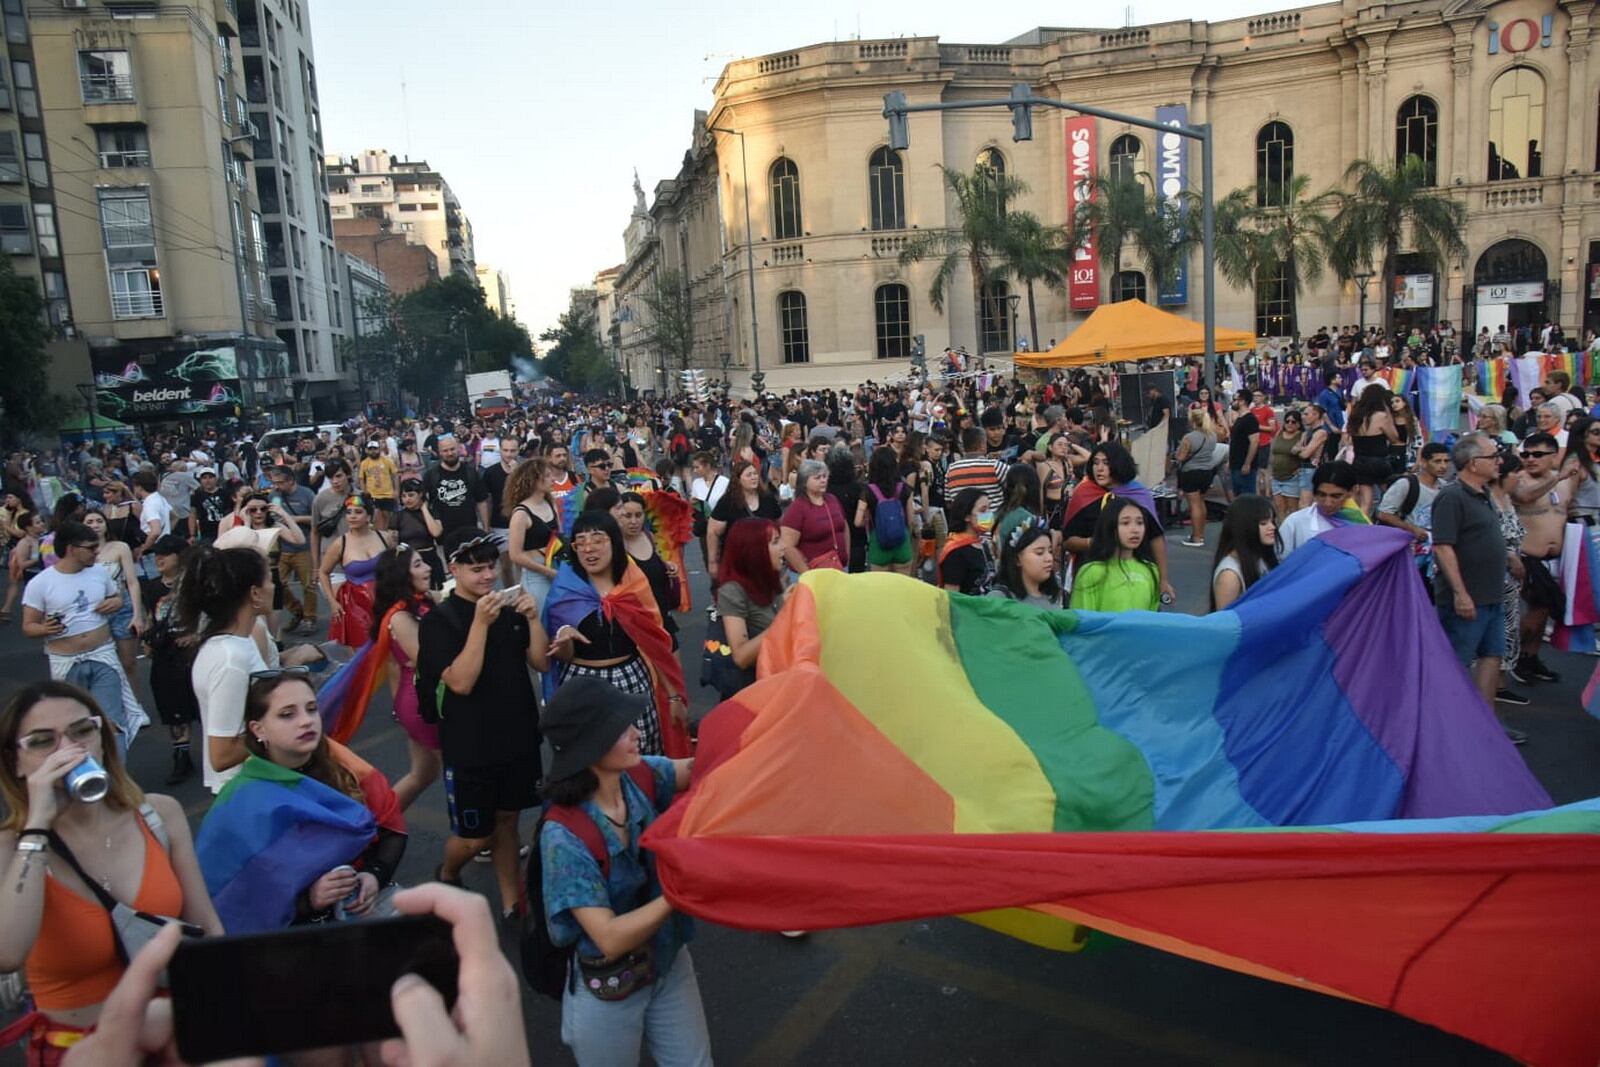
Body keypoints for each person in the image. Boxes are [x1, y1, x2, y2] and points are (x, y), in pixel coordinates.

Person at [0, 680, 221, 1062]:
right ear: (15, 763)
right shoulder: (10, 848)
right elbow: (8, 953)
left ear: (103, 739)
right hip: (81, 1049)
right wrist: (37, 823)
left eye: (83, 730)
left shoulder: (159, 815)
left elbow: (208, 929)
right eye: (41, 741)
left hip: (174, 1031)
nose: (69, 750)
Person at [537, 677, 709, 1066]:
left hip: (667, 962)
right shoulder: (562, 838)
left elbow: (699, 769)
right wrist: (677, 892)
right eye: (620, 728)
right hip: (609, 989)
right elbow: (609, 937)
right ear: (590, 746)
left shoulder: (640, 775)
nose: (637, 731)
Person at [196, 670, 407, 930]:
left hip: (364, 908)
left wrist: (374, 876)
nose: (306, 721)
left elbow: (392, 831)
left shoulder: (346, 768)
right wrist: (309, 900)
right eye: (287, 714)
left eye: (311, 709)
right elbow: (233, 901)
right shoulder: (240, 802)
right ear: (258, 729)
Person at [418, 529, 550, 917]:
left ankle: (512, 902)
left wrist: (533, 619)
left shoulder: (507, 610)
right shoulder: (439, 622)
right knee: (475, 837)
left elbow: (540, 662)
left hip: (517, 736)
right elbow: (460, 681)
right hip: (470, 743)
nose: (488, 577)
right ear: (454, 570)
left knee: (508, 820)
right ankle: (448, 870)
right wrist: (479, 624)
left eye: (491, 567)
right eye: (476, 570)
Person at [545, 513, 690, 758]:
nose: (589, 548)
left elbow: (654, 646)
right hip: (582, 683)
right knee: (590, 759)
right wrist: (564, 639)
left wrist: (674, 696)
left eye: (597, 539)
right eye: (580, 542)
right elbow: (559, 657)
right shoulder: (566, 588)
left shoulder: (633, 583)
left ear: (614, 542)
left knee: (641, 755)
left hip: (631, 680)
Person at [20, 519, 146, 757]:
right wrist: (44, 628)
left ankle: (118, 779)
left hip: (102, 655)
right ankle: (87, 777)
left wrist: (114, 603)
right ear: (71, 549)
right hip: (66, 661)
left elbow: (117, 597)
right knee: (73, 724)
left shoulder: (99, 573)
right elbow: (28, 627)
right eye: (90, 547)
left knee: (112, 722)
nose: (97, 552)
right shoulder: (41, 583)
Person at [1431, 433, 1524, 742]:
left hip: (1491, 595)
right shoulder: (1452, 497)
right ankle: (1447, 726)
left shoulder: (1483, 493)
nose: (1499, 460)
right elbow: (1443, 547)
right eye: (1493, 455)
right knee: (1456, 663)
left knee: (1492, 656)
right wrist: (1460, 593)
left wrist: (1508, 555)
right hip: (1467, 598)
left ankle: (1485, 724)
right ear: (1473, 463)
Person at [368, 546, 441, 810]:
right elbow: (429, 659)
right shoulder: (399, 616)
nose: (428, 568)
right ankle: (478, 840)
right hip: (423, 702)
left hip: (416, 698)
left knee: (422, 774)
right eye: (419, 564)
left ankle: (377, 828)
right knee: (461, 772)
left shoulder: (419, 602)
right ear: (402, 575)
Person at [1060, 442, 1173, 602]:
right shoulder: (1083, 494)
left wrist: (1163, 579)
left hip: (1136, 574)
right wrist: (1096, 542)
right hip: (1094, 576)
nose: (1099, 468)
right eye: (1095, 463)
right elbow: (1068, 541)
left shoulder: (1139, 495)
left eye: (1106, 463)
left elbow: (1156, 538)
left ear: (1119, 464)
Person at [1508, 431, 1578, 686]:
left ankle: (1530, 657)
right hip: (1528, 557)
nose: (1530, 459)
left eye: (1537, 454)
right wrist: (1558, 476)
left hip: (1559, 558)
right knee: (1537, 610)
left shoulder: (1566, 483)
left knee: (1546, 610)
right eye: (1526, 454)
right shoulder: (1519, 480)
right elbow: (1524, 498)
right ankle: (1512, 656)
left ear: (1553, 456)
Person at [138, 535, 199, 786]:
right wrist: (147, 642)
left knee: (201, 705)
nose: (159, 558)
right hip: (165, 654)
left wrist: (196, 636)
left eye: (166, 553)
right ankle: (181, 755)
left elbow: (211, 615)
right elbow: (150, 617)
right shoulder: (152, 587)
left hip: (192, 656)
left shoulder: (195, 585)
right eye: (156, 554)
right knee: (173, 710)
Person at [79, 512, 143, 703]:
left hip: (122, 608)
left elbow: (132, 582)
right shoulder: (79, 552)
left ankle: (134, 706)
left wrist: (138, 614)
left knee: (129, 662)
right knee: (100, 665)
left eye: (99, 521)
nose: (95, 525)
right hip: (95, 610)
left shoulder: (120, 547)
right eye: (89, 521)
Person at [316, 493, 394, 649]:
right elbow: (323, 572)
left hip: (385, 599)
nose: (352, 516)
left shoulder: (385, 537)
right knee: (363, 653)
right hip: (356, 607)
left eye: (358, 512)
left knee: (391, 649)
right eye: (349, 512)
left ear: (369, 516)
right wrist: (332, 602)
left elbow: (398, 566)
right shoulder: (340, 543)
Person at [714, 518, 786, 679]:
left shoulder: (774, 580)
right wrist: (787, 617)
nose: (784, 547)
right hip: (756, 687)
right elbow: (741, 657)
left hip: (782, 677)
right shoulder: (732, 591)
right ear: (755, 550)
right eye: (775, 542)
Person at [1069, 497, 1162, 613]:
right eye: (1125, 523)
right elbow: (1082, 620)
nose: (1135, 530)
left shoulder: (1150, 569)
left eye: (1140, 523)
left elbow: (1152, 617)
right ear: (1110, 526)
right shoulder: (1091, 571)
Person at [614, 491, 681, 647]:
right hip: (636, 625)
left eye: (638, 515)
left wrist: (669, 567)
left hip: (663, 617)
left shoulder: (649, 537)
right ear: (617, 516)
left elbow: (655, 564)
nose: (634, 521)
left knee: (674, 668)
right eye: (627, 516)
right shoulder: (614, 546)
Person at [706, 459, 781, 579]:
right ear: (738, 480)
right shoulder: (728, 502)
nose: (753, 477)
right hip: (737, 561)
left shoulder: (767, 499)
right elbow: (713, 532)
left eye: (755, 474)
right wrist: (713, 562)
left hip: (765, 560)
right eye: (748, 475)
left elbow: (778, 525)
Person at [266, 465, 317, 635]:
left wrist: (295, 519)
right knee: (278, 584)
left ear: (291, 480)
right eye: (274, 483)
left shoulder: (307, 494)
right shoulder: (274, 496)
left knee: (308, 585)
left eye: (280, 483)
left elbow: (316, 519)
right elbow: (272, 517)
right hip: (280, 548)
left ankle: (309, 618)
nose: (276, 486)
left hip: (303, 547)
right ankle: (297, 611)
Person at [505, 456, 562, 607]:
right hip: (536, 575)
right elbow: (515, 555)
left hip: (555, 566)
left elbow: (560, 536)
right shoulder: (521, 514)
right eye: (547, 476)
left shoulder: (550, 503)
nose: (553, 479)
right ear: (535, 480)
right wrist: (547, 571)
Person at [1277, 461, 1364, 557]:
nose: (1328, 503)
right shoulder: (1296, 522)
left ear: (1352, 491)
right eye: (1322, 495)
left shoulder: (1360, 525)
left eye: (1336, 496)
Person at [779, 459, 850, 573]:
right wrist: (806, 572)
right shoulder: (797, 508)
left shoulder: (832, 499)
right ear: (804, 482)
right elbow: (787, 546)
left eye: (824, 476)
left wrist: (846, 556)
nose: (823, 480)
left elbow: (844, 528)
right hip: (813, 573)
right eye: (817, 478)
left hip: (839, 567)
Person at [1210, 495, 1279, 611]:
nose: (1272, 527)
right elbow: (1225, 624)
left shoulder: (1262, 557)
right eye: (1263, 523)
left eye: (1272, 521)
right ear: (1245, 527)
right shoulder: (1229, 575)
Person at [854, 446, 915, 575]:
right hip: (902, 543)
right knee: (902, 588)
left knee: (880, 590)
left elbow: (857, 522)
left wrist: (868, 518)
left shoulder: (868, 491)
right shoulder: (904, 488)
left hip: (878, 544)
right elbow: (911, 521)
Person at [1347, 384, 1401, 514]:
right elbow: (1394, 438)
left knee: (1366, 502)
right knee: (1391, 495)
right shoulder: (1381, 416)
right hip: (1379, 461)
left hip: (1360, 460)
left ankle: (1361, 528)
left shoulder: (1356, 415)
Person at [423, 436, 490, 537]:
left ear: (459, 449)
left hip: (470, 530)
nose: (450, 453)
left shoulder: (471, 473)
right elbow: (424, 503)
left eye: (452, 449)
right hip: (444, 534)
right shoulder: (431, 475)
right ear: (439, 452)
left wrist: (486, 527)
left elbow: (481, 501)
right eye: (445, 450)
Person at [988, 520, 1062, 608]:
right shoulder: (1000, 599)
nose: (1049, 558)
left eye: (1050, 551)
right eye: (1039, 552)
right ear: (1017, 559)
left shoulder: (1053, 595)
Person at [1174, 407, 1219, 548]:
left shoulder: (1189, 437)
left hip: (1191, 472)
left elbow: (1180, 457)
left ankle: (1196, 538)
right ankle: (1201, 533)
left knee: (1194, 505)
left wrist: (1178, 454)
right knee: (1201, 502)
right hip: (1207, 472)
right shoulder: (1212, 435)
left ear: (1192, 421)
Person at [936, 488, 992, 595]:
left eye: (989, 509)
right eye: (983, 510)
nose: (989, 514)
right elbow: (952, 595)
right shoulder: (956, 552)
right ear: (967, 516)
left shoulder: (984, 544)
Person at [395, 477, 444, 589]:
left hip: (430, 560)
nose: (407, 499)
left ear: (420, 494)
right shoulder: (398, 516)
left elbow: (436, 532)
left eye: (411, 495)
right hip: (408, 562)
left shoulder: (432, 512)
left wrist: (424, 509)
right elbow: (392, 544)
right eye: (404, 496)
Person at [1268, 409, 1309, 521]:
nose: (1290, 424)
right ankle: (1283, 534)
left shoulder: (1302, 435)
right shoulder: (1279, 433)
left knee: (1292, 509)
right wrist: (1270, 472)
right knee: (1279, 508)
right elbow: (1273, 452)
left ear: (1299, 424)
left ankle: (1293, 535)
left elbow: (1305, 454)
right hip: (1276, 476)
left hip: (1292, 477)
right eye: (1287, 421)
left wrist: (1300, 468)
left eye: (1293, 422)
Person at [1226, 392, 1261, 500]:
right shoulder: (1239, 419)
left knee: (1248, 498)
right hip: (1235, 464)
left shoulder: (1250, 419)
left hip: (1243, 466)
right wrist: (1230, 462)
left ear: (1242, 401)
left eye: (1235, 399)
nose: (1232, 402)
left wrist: (1247, 463)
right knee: (1239, 496)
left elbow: (1254, 442)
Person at [359, 440, 400, 531]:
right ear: (366, 450)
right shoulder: (364, 463)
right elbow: (361, 478)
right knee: (375, 518)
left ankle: (385, 535)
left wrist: (396, 490)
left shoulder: (387, 460)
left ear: (379, 449)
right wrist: (364, 490)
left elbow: (395, 475)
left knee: (387, 517)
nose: (373, 451)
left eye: (375, 449)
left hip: (387, 494)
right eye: (370, 449)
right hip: (372, 495)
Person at [186, 469, 229, 544]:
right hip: (207, 533)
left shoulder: (225, 493)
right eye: (204, 478)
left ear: (215, 479)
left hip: (225, 530)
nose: (207, 480)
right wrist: (192, 534)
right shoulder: (196, 496)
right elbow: (192, 514)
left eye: (210, 477)